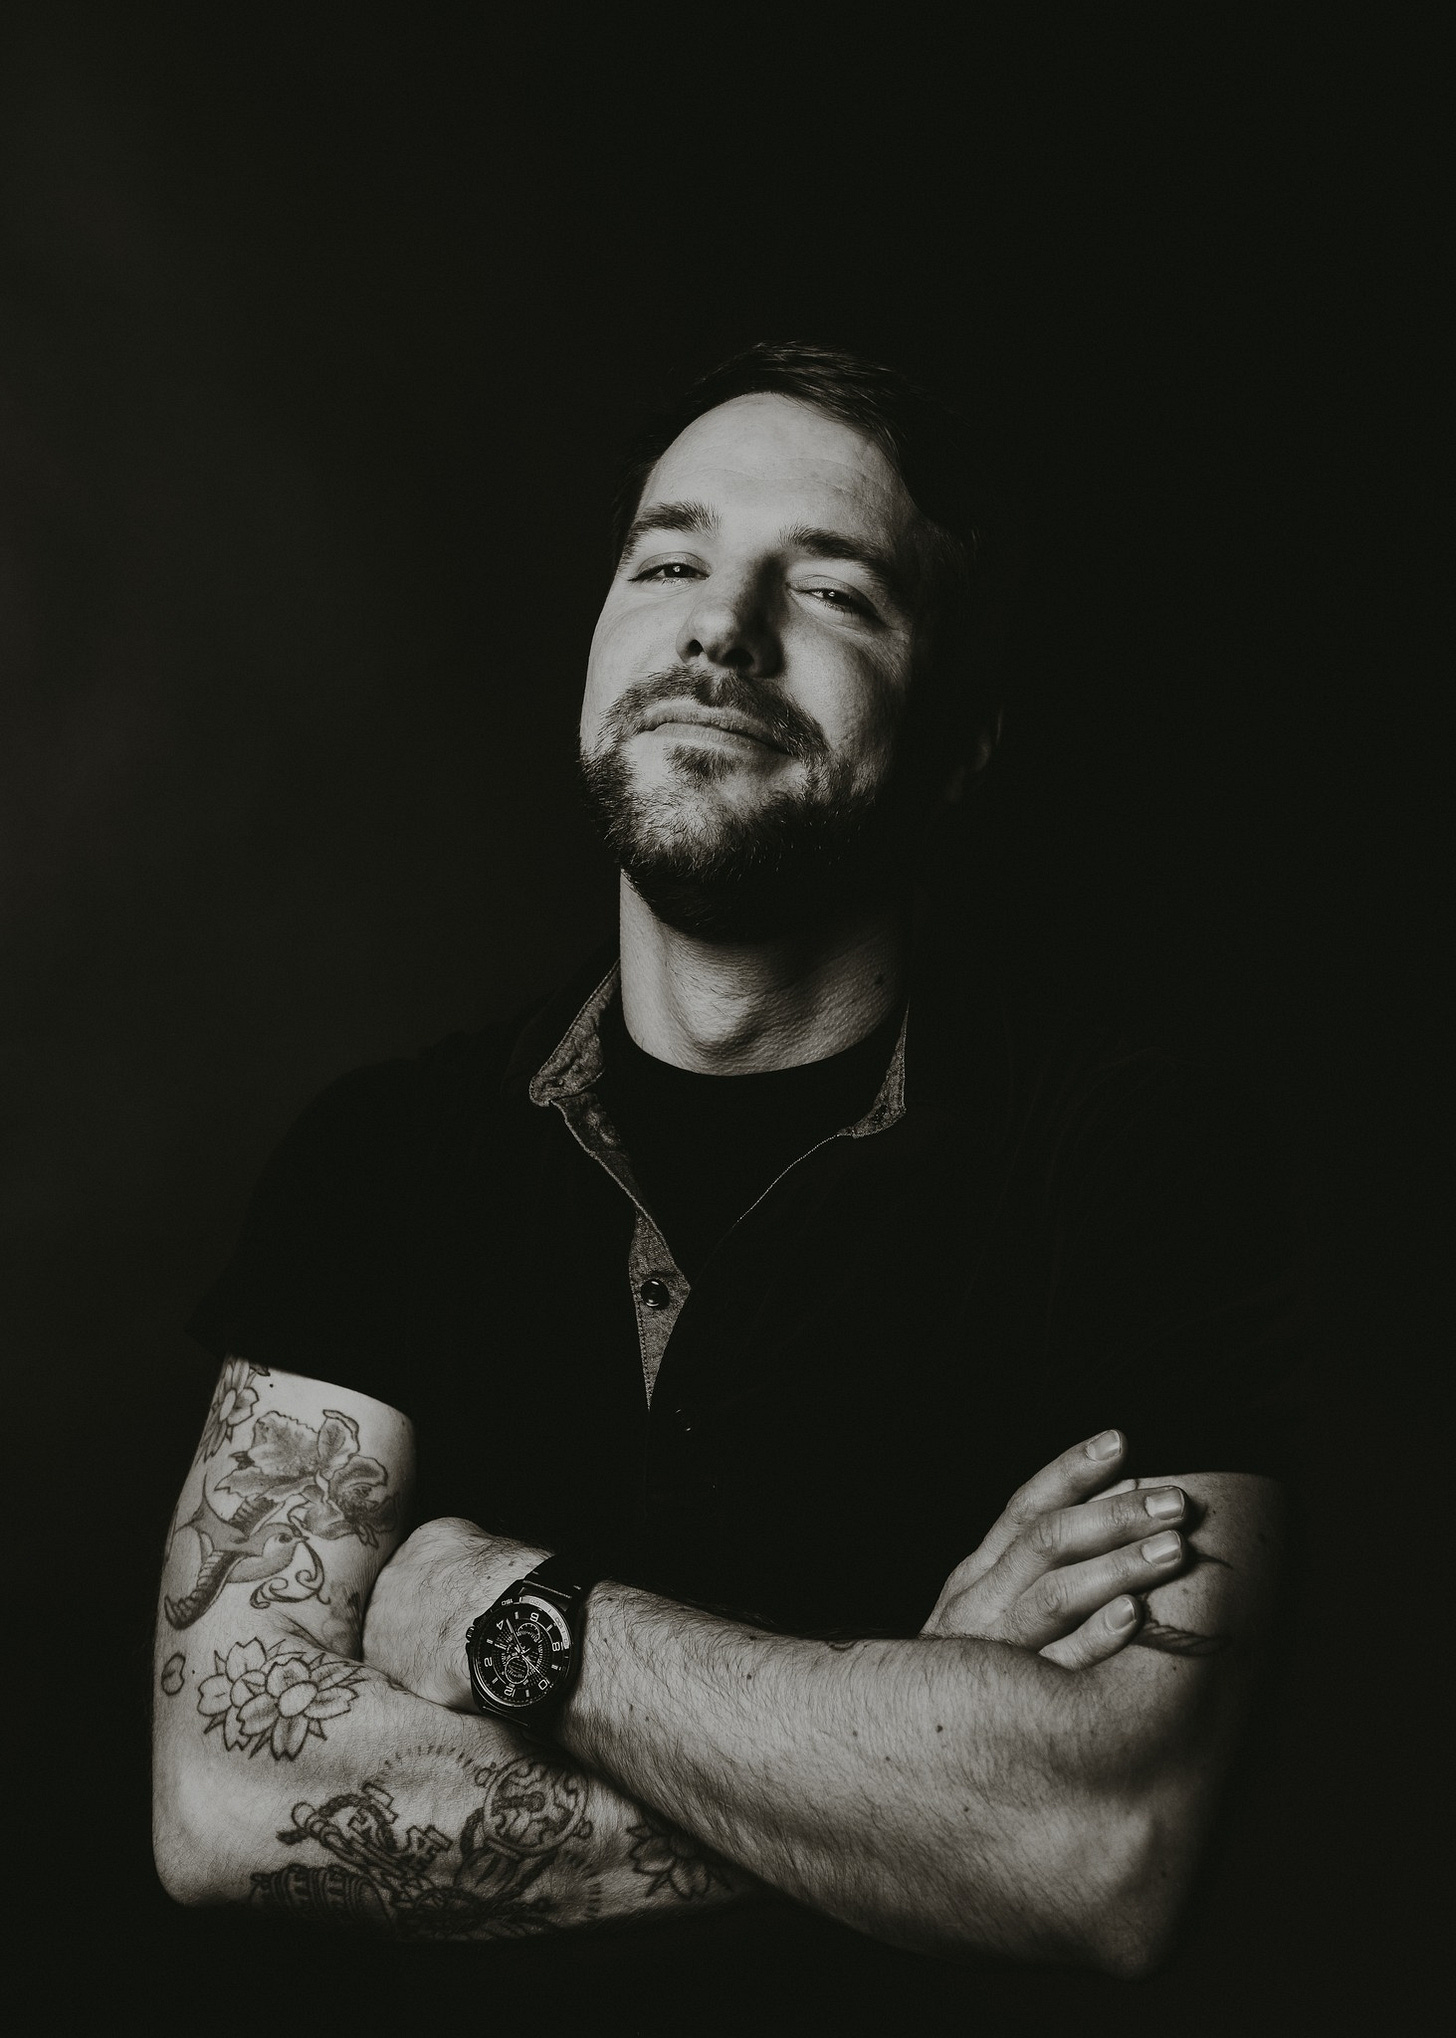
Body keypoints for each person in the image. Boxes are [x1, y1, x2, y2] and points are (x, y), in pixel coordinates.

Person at [151, 344, 1298, 1979]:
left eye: (830, 591)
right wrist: (911, 1772)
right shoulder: (381, 1159)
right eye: (669, 561)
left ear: (961, 737)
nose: (720, 628)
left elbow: (1103, 1845)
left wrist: (517, 1611)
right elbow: (225, 1794)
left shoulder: (1141, 1167)